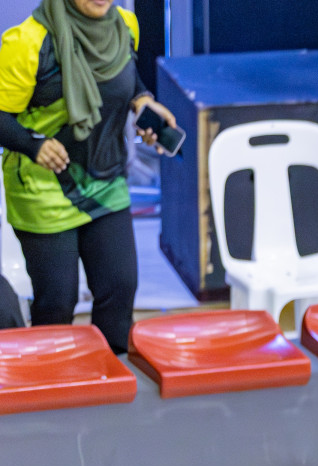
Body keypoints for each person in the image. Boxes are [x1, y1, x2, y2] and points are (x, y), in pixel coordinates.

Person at [0, 0, 178, 351]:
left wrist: (143, 101)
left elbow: (125, 78)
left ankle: (107, 384)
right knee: (58, 302)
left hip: (106, 181)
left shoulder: (125, 25)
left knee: (119, 288)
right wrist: (33, 144)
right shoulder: (27, 42)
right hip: (44, 190)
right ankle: (51, 389)